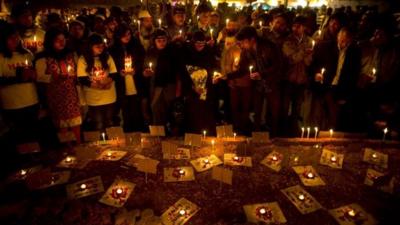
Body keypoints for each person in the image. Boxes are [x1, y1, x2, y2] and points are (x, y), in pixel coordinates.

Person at [234, 26, 284, 137]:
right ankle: (256, 137)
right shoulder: (247, 51)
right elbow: (242, 69)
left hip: (272, 84)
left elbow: (278, 65)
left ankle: (274, 137)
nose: (242, 45)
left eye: (244, 42)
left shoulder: (269, 46)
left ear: (252, 39)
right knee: (257, 112)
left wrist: (262, 74)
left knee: (273, 112)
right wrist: (226, 76)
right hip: (258, 85)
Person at [35, 28, 82, 143]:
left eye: (63, 39)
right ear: (50, 41)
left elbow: (77, 73)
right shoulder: (43, 57)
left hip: (71, 94)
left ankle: (79, 147)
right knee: (62, 126)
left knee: (76, 122)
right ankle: (67, 150)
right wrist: (54, 77)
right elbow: (39, 77)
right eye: (57, 40)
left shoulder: (71, 54)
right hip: (56, 95)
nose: (61, 42)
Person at [310, 27, 361, 131]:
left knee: (334, 116)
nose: (343, 43)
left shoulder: (354, 52)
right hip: (325, 84)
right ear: (338, 37)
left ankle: (330, 136)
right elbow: (314, 63)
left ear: (350, 41)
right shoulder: (326, 47)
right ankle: (318, 134)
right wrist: (316, 74)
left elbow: (353, 74)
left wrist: (345, 95)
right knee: (320, 114)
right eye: (341, 40)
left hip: (340, 87)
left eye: (346, 41)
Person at [0, 24, 39, 144]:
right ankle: (24, 160)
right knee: (19, 136)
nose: (15, 40)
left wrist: (33, 76)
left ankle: (35, 158)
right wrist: (18, 78)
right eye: (11, 38)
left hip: (31, 100)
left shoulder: (27, 54)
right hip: (13, 104)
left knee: (33, 133)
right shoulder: (1, 57)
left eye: (17, 37)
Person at [77, 34, 118, 132]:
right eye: (97, 47)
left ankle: (112, 144)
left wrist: (107, 82)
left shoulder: (107, 57)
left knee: (110, 122)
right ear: (90, 46)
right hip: (94, 98)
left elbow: (114, 73)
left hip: (109, 96)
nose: (101, 49)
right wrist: (98, 85)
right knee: (98, 124)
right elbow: (82, 78)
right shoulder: (83, 59)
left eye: (102, 46)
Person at [109, 24, 146, 132]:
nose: (127, 37)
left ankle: (138, 135)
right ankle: (128, 136)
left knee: (137, 112)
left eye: (129, 34)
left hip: (135, 83)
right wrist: (118, 73)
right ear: (118, 35)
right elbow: (111, 66)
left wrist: (136, 69)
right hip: (121, 85)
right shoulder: (113, 49)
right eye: (124, 35)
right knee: (125, 112)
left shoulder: (137, 46)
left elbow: (142, 61)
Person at [180, 31, 218, 135]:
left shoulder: (208, 52)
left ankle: (206, 136)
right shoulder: (188, 54)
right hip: (192, 90)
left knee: (206, 113)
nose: (200, 46)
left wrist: (215, 77)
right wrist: (193, 87)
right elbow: (184, 74)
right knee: (193, 114)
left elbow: (214, 67)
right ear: (193, 43)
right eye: (197, 44)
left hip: (206, 89)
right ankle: (194, 137)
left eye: (202, 44)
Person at [281, 16, 313, 135]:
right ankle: (282, 130)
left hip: (301, 79)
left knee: (297, 107)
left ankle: (293, 131)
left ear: (304, 27)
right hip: (288, 78)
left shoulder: (309, 41)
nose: (295, 28)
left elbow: (309, 61)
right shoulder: (288, 40)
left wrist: (304, 56)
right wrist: (304, 52)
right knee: (284, 107)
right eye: (294, 26)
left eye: (299, 26)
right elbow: (291, 59)